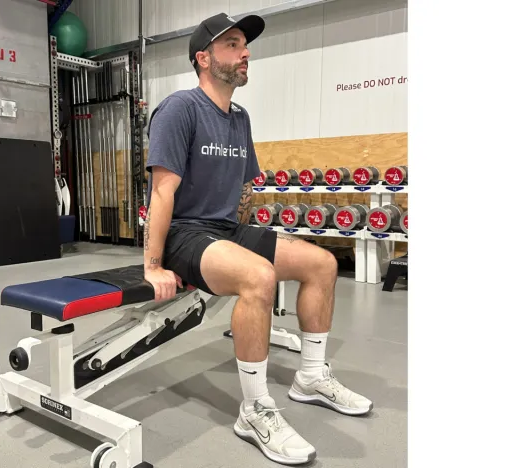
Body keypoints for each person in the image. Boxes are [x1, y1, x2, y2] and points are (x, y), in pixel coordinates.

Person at [143, 12, 373, 465]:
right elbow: (162, 191)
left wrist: (248, 231)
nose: (245, 52)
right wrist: (153, 265)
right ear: (203, 59)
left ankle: (309, 378)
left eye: (245, 45)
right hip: (186, 234)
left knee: (322, 265)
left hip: (225, 229)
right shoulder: (179, 109)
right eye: (232, 45)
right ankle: (254, 410)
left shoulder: (239, 116)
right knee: (259, 277)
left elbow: (245, 187)